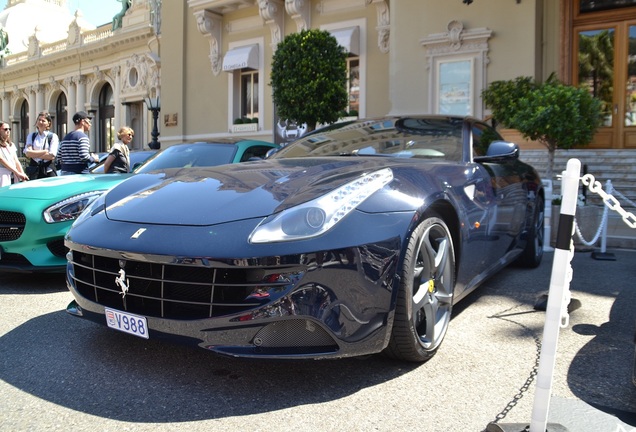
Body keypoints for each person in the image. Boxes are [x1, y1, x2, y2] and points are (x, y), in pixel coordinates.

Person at [24, 111, 59, 179]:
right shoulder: (31, 136)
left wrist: (34, 153)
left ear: (48, 123)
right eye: (39, 120)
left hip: (48, 171)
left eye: (43, 121)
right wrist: (45, 151)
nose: (40, 122)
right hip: (34, 171)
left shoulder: (53, 136)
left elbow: (51, 156)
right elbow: (28, 154)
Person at [0, 121, 28, 186]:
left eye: (9, 129)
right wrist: (17, 172)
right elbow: (1, 159)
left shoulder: (11, 144)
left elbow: (16, 161)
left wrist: (22, 174)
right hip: (2, 175)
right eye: (5, 129)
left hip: (13, 175)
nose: (8, 131)